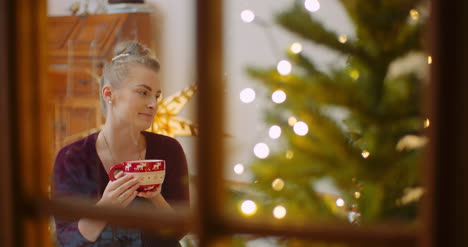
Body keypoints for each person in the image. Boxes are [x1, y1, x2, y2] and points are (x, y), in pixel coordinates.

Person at [52, 41, 190, 247]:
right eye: (143, 92)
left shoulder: (169, 150)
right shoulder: (73, 157)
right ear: (109, 94)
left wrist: (156, 198)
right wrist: (106, 207)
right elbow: (67, 239)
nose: (153, 104)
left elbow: (180, 230)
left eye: (156, 95)